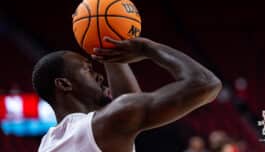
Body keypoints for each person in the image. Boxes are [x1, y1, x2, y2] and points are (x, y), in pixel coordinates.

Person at [32, 37, 222, 152]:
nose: (99, 76)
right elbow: (205, 83)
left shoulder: (50, 142)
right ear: (64, 84)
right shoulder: (95, 129)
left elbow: (127, 106)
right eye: (88, 70)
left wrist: (107, 46)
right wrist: (147, 48)